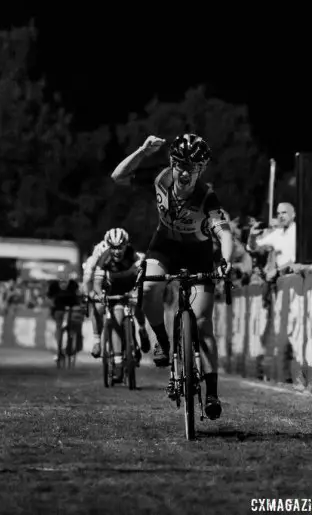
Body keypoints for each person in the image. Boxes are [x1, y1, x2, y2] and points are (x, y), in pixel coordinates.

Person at [111, 133, 232, 421]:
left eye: (193, 167)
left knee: (203, 325)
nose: (185, 173)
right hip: (164, 245)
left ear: (202, 169)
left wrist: (225, 260)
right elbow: (118, 176)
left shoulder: (206, 196)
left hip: (198, 252)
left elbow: (224, 231)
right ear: (171, 163)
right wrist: (141, 151)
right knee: (150, 286)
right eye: (179, 165)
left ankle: (212, 393)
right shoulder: (161, 178)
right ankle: (163, 341)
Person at [82, 227, 151, 383]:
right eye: (113, 247)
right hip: (112, 287)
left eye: (120, 247)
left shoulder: (134, 255)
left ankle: (141, 329)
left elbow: (143, 277)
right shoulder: (102, 258)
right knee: (110, 313)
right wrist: (98, 295)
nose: (117, 251)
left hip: (130, 284)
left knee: (139, 302)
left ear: (126, 245)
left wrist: (138, 291)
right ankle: (115, 357)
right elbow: (97, 284)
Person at [46, 264, 83, 361]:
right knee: (67, 327)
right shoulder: (72, 284)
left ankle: (61, 351)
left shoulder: (55, 285)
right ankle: (65, 349)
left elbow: (49, 298)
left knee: (61, 328)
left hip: (65, 310)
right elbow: (79, 297)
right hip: (65, 310)